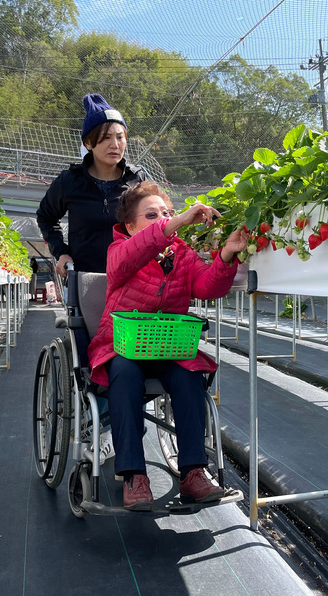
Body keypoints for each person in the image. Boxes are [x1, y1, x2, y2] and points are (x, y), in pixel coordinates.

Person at [86, 182, 248, 510]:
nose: (163, 218)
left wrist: (227, 254)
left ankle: (193, 472)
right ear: (130, 226)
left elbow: (206, 287)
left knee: (189, 376)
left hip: (168, 345)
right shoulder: (119, 252)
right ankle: (134, 475)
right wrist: (176, 222)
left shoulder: (183, 256)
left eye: (167, 212)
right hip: (121, 346)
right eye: (152, 215)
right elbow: (129, 258)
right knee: (125, 373)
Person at [36, 93, 147, 276]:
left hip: (129, 278)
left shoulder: (136, 179)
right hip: (84, 278)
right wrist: (61, 252)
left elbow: (154, 221)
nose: (115, 145)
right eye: (105, 138)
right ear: (88, 143)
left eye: (120, 137)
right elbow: (46, 217)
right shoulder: (70, 181)